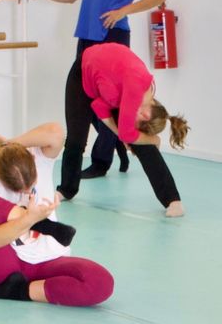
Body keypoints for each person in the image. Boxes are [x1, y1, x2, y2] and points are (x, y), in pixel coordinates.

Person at [20, 0, 164, 184]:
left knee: (113, 103)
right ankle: (115, 149)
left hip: (114, 38)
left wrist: (124, 11)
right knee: (87, 100)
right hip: (86, 37)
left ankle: (101, 161)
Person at [0, 125, 114, 306]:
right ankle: (39, 223)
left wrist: (8, 144)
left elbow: (55, 133)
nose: (25, 192)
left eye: (31, 185)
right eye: (17, 189)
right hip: (6, 265)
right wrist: (29, 218)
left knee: (101, 282)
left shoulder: (39, 159)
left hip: (48, 260)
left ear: (32, 159)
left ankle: (18, 292)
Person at [64, 41, 189, 214]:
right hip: (81, 72)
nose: (132, 120)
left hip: (105, 83)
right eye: (139, 122)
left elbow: (100, 107)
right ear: (146, 115)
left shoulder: (132, 101)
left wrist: (126, 136)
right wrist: (153, 139)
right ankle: (66, 190)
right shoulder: (136, 86)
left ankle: (172, 200)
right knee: (75, 139)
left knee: (138, 141)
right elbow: (125, 132)